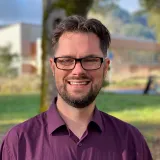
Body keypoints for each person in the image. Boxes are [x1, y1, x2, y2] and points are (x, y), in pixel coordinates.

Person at [0, 15, 152, 160]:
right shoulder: (18, 143)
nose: (78, 71)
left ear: (105, 68)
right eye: (66, 60)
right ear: (53, 67)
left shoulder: (131, 142)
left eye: (90, 60)